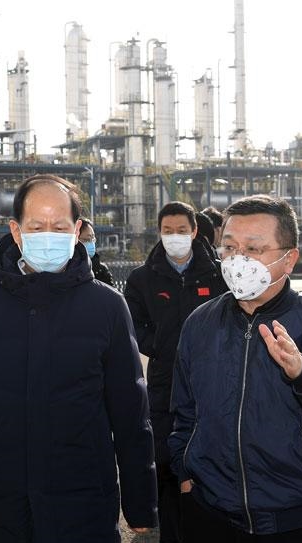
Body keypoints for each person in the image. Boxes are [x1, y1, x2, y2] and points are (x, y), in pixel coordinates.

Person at [0, 174, 157, 541]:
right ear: (16, 231)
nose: (48, 236)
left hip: (84, 502)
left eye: (60, 226)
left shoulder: (107, 305)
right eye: (36, 226)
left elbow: (131, 412)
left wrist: (141, 501)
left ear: (77, 230)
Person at [170, 194, 302, 542]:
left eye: (253, 249)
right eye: (229, 247)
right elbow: (184, 411)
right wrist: (185, 473)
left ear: (289, 259)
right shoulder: (200, 323)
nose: (237, 260)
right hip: (210, 512)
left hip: (300, 517)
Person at [124, 201, 228, 543]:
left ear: (195, 231)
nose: (175, 237)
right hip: (164, 383)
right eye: (168, 231)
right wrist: (161, 345)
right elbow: (133, 326)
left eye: (182, 230)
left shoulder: (219, 274)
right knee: (167, 462)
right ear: (159, 232)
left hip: (214, 380)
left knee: (213, 459)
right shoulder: (142, 278)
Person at [78, 216, 115, 287]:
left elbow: (112, 292)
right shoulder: (67, 268)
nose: (91, 243)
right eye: (86, 239)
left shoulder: (101, 269)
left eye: (93, 239)